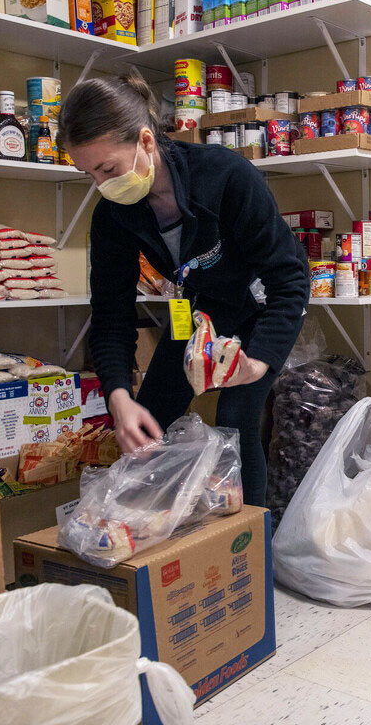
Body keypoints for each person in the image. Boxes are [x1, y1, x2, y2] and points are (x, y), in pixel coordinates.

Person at [58, 73, 310, 508]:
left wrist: (259, 362)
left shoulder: (226, 176)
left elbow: (289, 279)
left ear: (146, 141)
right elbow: (112, 316)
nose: (101, 185)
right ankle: (160, 546)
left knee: (235, 421)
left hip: (259, 308)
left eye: (108, 169)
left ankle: (251, 553)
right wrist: (119, 397)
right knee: (148, 420)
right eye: (89, 175)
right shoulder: (112, 216)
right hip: (203, 309)